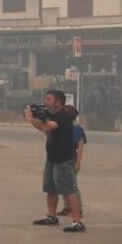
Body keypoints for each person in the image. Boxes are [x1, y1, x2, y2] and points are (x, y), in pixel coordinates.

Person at [27, 90, 85, 233]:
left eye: (48, 99)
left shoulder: (63, 116)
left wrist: (31, 119)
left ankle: (77, 221)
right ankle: (52, 216)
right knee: (51, 189)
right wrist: (37, 118)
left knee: (67, 190)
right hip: (52, 158)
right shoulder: (53, 115)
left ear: (58, 101)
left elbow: (46, 128)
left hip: (64, 159)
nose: (45, 101)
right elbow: (46, 128)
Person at [57, 105, 88, 218]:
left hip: (70, 159)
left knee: (72, 185)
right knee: (62, 184)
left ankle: (78, 209)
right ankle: (67, 206)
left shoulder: (77, 129)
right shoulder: (62, 127)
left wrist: (78, 162)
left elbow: (80, 147)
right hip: (60, 159)